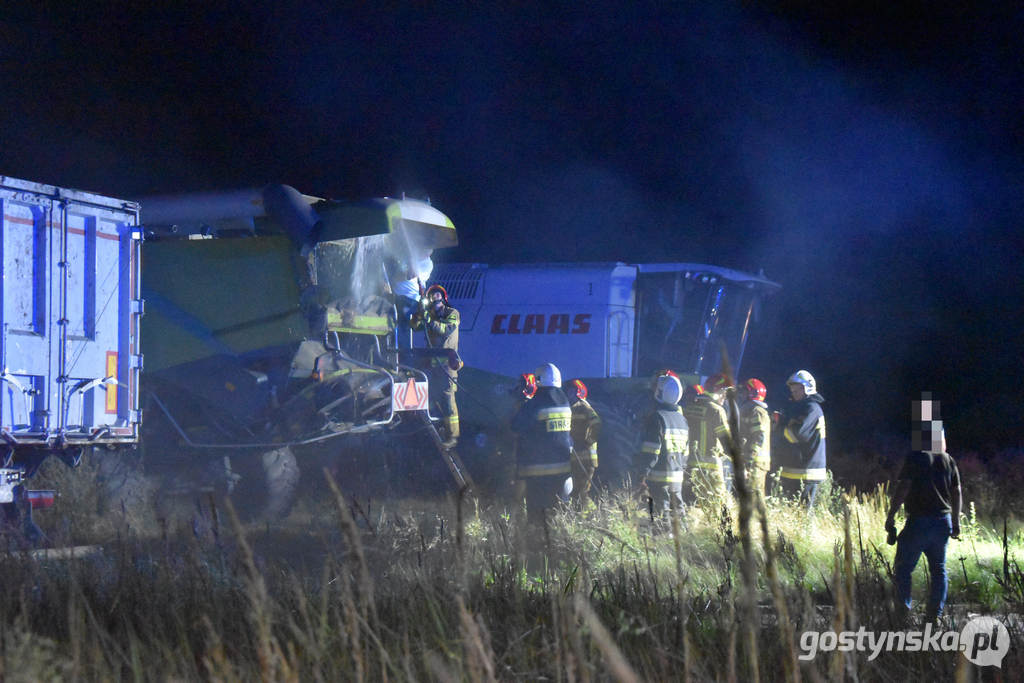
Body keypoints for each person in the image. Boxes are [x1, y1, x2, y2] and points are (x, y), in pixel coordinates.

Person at [886, 401, 961, 622]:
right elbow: (957, 492)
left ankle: (902, 613)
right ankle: (933, 616)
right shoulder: (949, 461)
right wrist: (955, 522)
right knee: (939, 570)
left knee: (903, 569)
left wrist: (891, 516)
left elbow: (904, 487)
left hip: (919, 522)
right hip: (942, 523)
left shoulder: (916, 457)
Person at [510, 363, 573, 526]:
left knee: (537, 516)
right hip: (563, 469)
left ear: (539, 380)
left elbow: (516, 426)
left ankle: (536, 543)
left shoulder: (535, 403)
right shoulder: (565, 402)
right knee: (558, 514)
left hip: (538, 471)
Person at [411, 284, 461, 448]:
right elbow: (414, 326)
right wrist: (419, 313)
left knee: (447, 400)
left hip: (447, 366)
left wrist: (428, 319)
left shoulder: (453, 314)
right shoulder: (429, 315)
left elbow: (445, 330)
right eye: (431, 296)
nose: (434, 298)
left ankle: (452, 437)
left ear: (444, 297)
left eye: (437, 295)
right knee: (429, 397)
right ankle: (436, 429)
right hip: (432, 366)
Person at [635, 373, 688, 517]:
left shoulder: (657, 418)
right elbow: (685, 453)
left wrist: (642, 473)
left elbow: (651, 451)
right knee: (678, 513)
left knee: (661, 514)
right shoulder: (681, 419)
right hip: (677, 477)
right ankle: (685, 538)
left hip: (659, 478)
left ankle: (663, 538)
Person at [778, 370, 827, 507]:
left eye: (797, 390)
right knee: (790, 514)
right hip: (796, 469)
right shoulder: (800, 408)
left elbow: (796, 434)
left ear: (807, 388)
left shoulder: (812, 409)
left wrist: (779, 426)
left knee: (802, 515)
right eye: (792, 390)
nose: (794, 393)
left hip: (806, 471)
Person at [683, 372, 732, 501]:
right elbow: (726, 441)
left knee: (692, 502)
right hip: (710, 467)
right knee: (716, 503)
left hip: (690, 464)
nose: (725, 398)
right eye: (724, 393)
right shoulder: (716, 410)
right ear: (718, 391)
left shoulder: (690, 407)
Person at [565, 379, 601, 503]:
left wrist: (588, 441)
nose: (569, 394)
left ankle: (587, 516)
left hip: (586, 459)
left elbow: (596, 424)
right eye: (568, 391)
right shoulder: (571, 408)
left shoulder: (584, 407)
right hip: (576, 458)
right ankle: (579, 516)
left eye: (572, 391)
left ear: (579, 392)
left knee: (582, 493)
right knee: (575, 492)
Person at [738, 378, 771, 497]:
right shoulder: (748, 410)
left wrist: (749, 460)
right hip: (749, 461)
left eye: (744, 392)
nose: (741, 395)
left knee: (754, 497)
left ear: (753, 393)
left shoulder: (757, 412)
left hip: (756, 463)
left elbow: (759, 438)